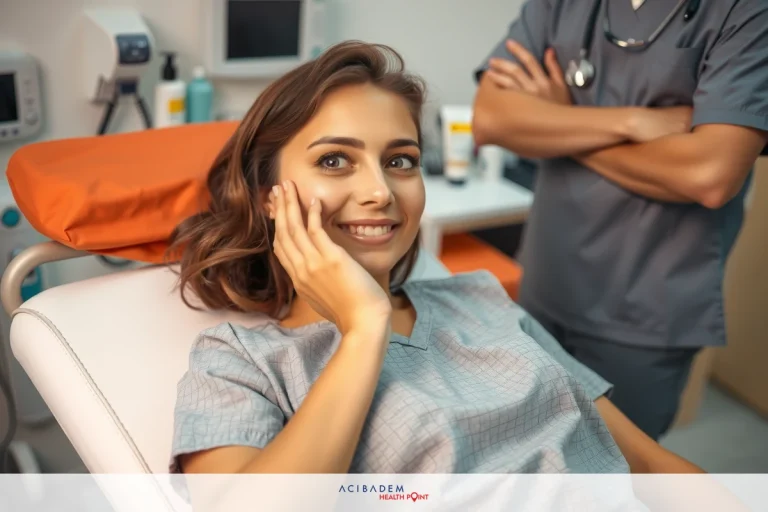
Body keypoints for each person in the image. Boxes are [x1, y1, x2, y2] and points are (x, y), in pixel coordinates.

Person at [166, 41, 702, 475]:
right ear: (266, 194)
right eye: (335, 160)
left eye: (401, 160)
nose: (379, 191)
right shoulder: (240, 363)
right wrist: (363, 326)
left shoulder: (479, 297)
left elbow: (650, 464)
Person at [472, 0, 768, 440]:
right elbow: (491, 119)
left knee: (611, 476)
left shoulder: (747, 12)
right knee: (527, 453)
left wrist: (560, 122)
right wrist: (634, 121)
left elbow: (709, 175)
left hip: (645, 309)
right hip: (548, 280)